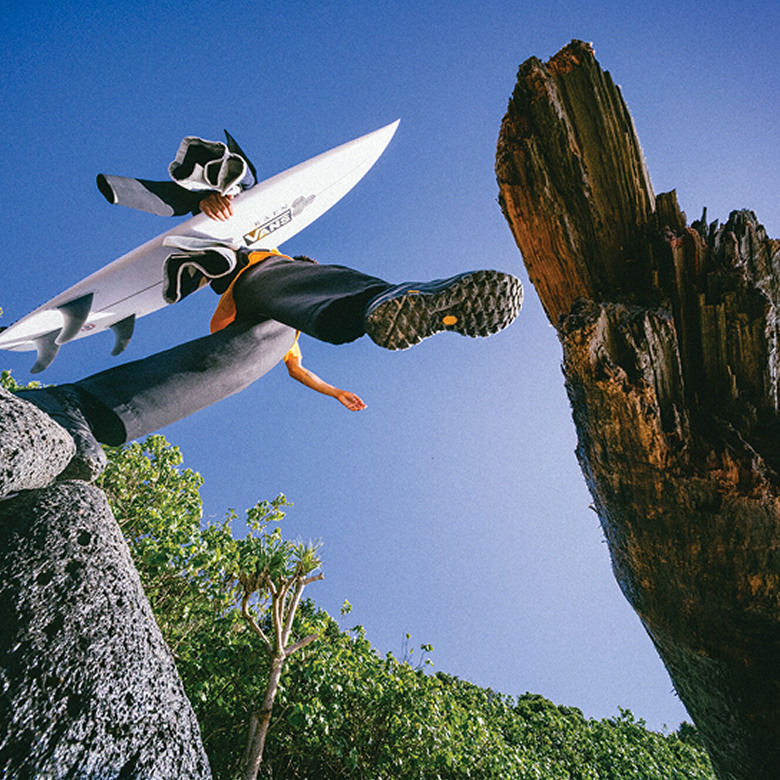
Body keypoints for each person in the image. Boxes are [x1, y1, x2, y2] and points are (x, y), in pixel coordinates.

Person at [15, 136, 523, 481]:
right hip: (244, 270)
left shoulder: (291, 326)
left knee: (254, 355)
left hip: (265, 311)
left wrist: (333, 390)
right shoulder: (289, 270)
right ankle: (378, 302)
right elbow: (244, 240)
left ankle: (95, 411)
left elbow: (296, 368)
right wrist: (209, 204)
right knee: (294, 291)